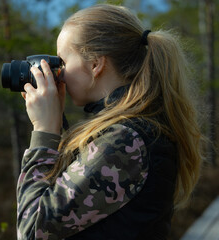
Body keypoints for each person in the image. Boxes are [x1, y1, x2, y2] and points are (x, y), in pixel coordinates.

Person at [17, 3, 203, 240]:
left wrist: (44, 131)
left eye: (62, 61)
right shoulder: (133, 130)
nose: (59, 74)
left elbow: (32, 230)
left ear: (95, 64)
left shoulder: (125, 140)